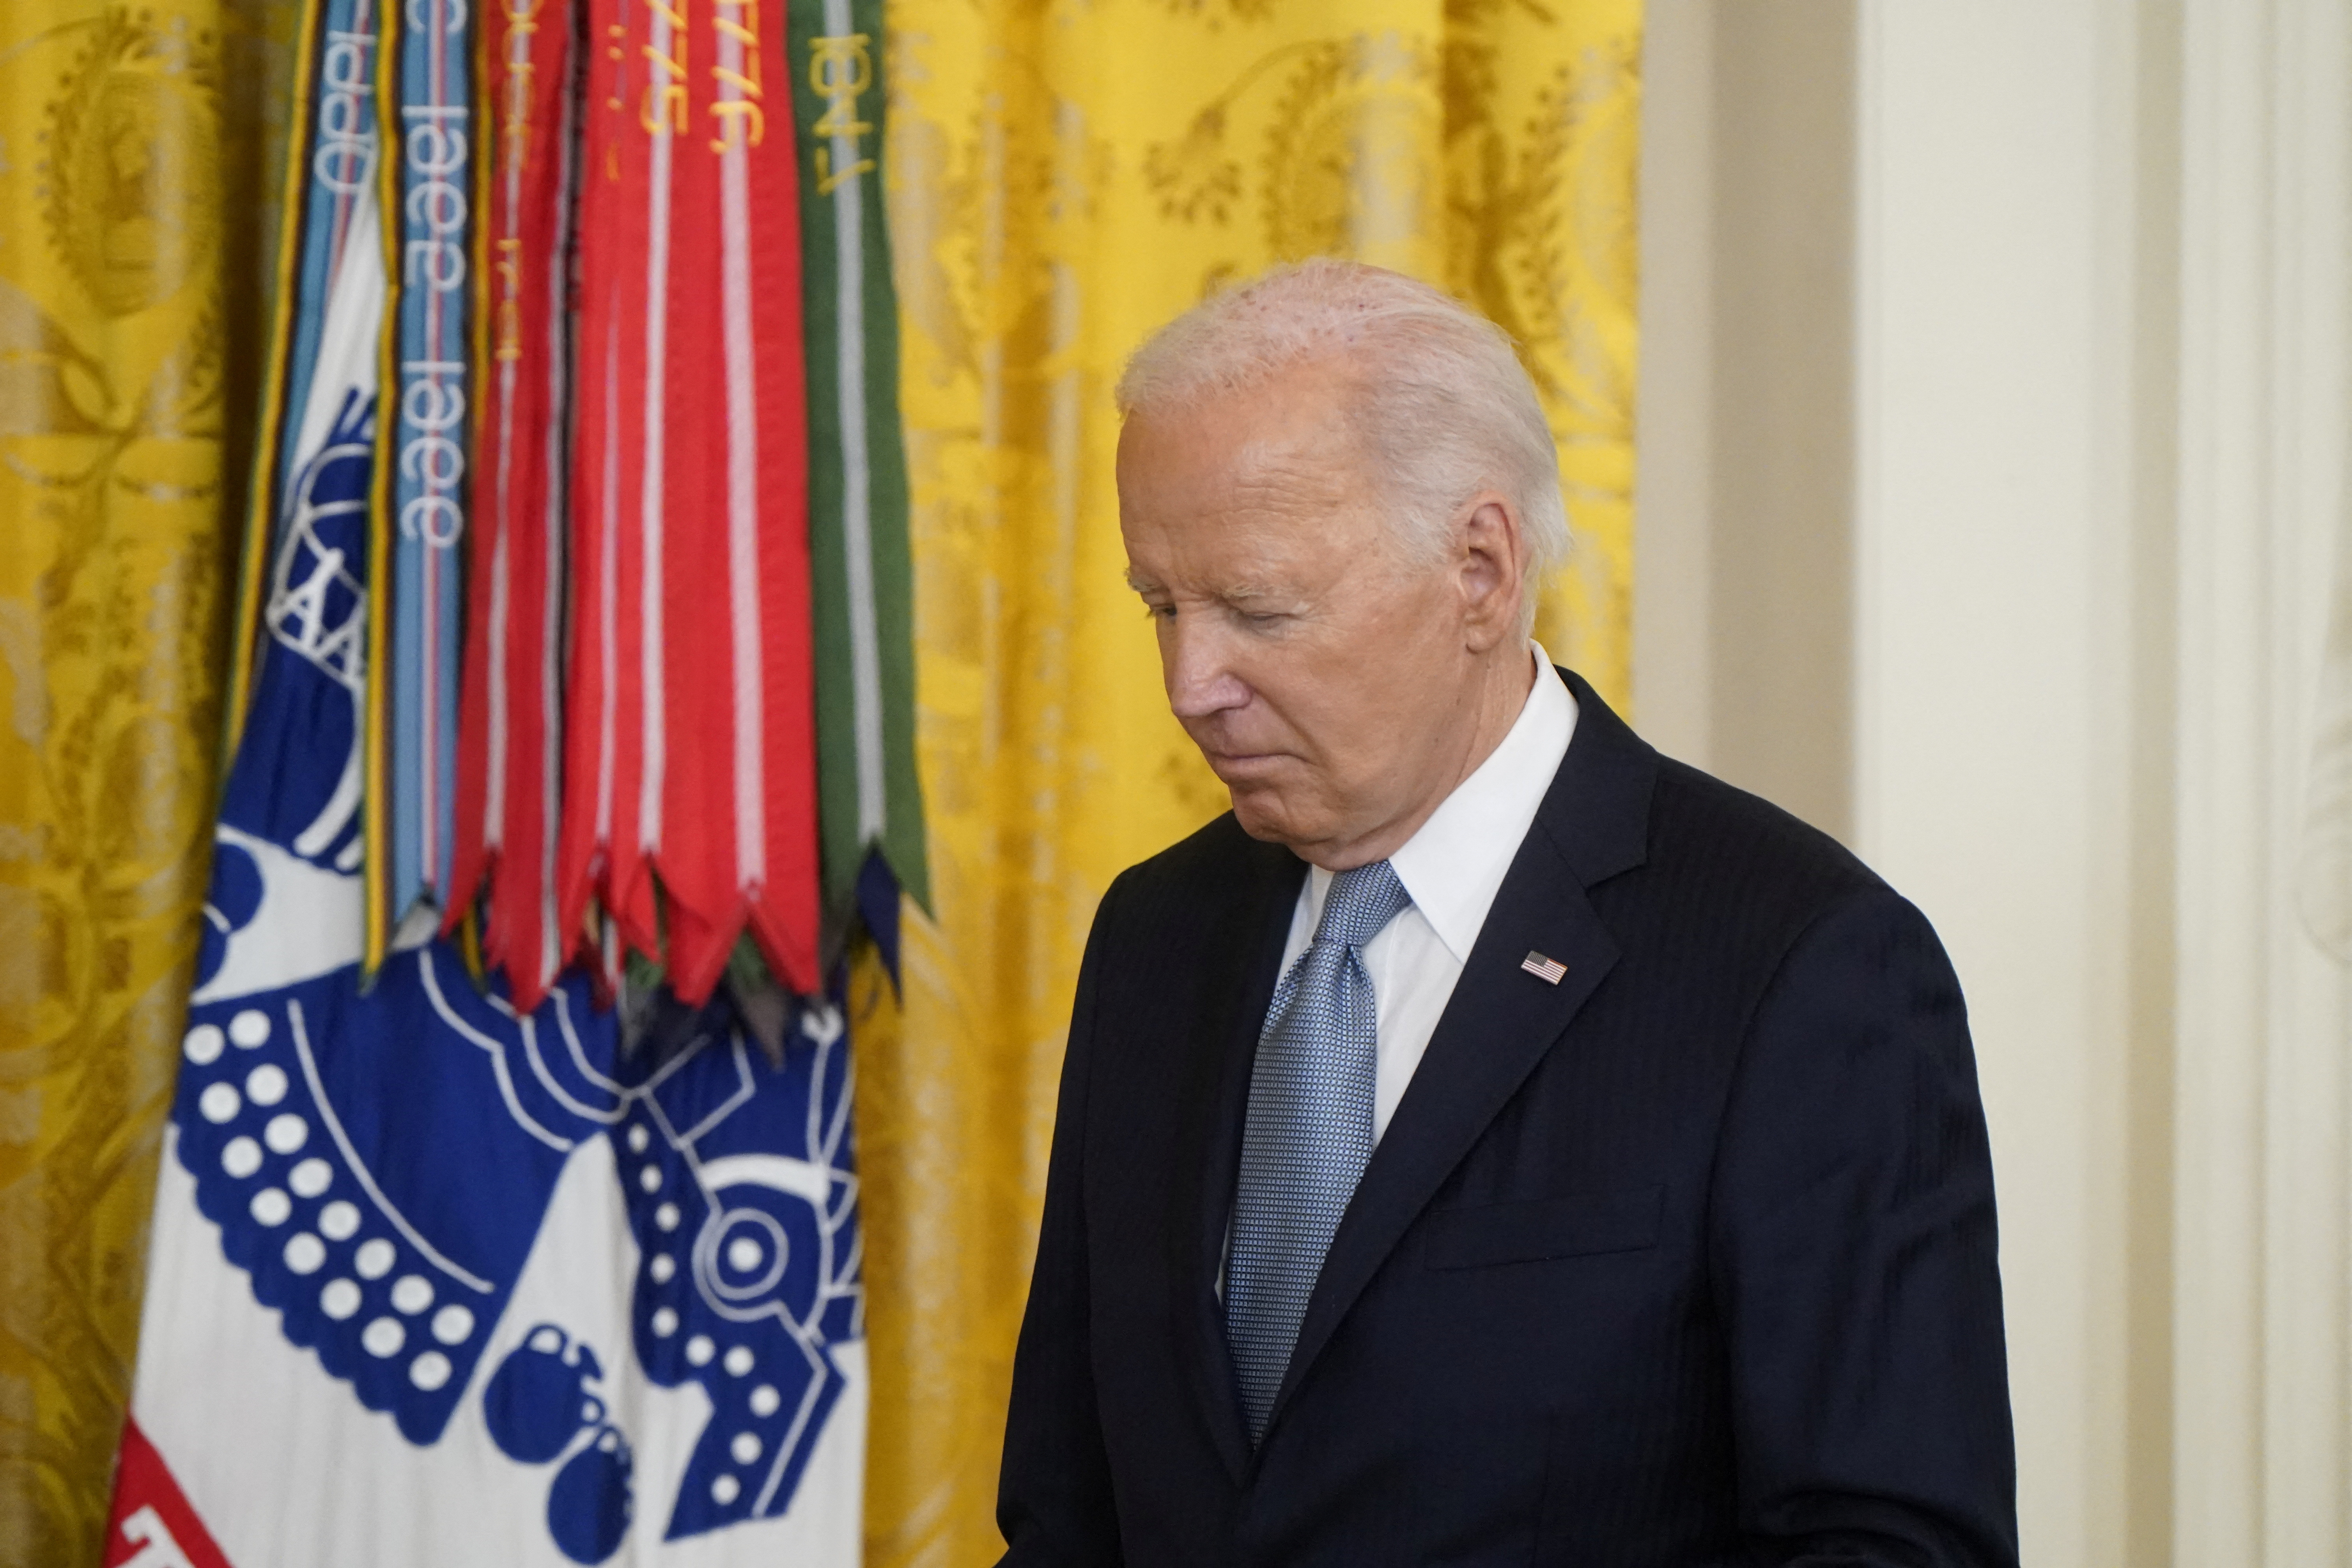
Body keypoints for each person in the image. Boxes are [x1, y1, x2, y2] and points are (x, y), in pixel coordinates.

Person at [995, 259, 2017, 1568]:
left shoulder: (1800, 965)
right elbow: (1069, 1517)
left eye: (1258, 609)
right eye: (1162, 606)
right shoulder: (1157, 936)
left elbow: (1891, 1544)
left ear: (1479, 567)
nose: (1193, 682)